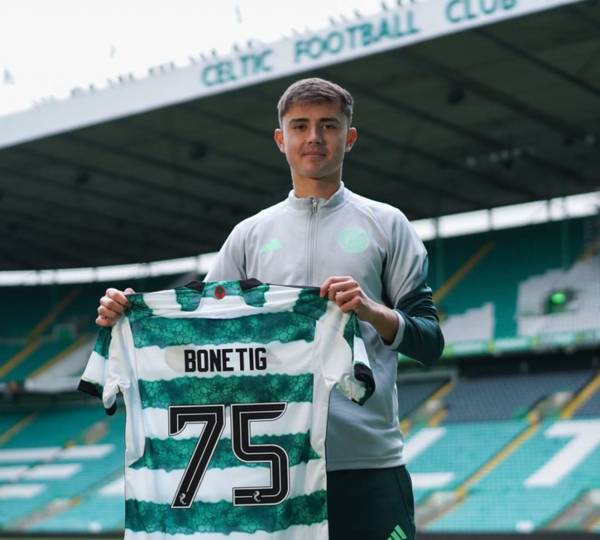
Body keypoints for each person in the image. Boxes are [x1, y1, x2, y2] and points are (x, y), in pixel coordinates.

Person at [96, 77, 444, 540]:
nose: (314, 137)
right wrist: (132, 315)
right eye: (300, 126)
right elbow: (196, 333)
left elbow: (430, 341)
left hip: (366, 464)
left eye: (329, 125)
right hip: (271, 473)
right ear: (281, 140)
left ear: (349, 137)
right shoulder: (250, 236)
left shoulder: (387, 225)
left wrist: (370, 310)